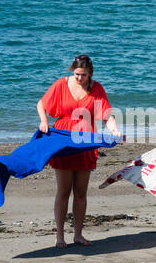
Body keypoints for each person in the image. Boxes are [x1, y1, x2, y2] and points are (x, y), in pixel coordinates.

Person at [37, 54, 121, 248]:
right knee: (63, 191)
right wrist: (43, 122)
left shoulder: (97, 88)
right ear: (72, 71)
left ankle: (78, 235)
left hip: (85, 143)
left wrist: (114, 129)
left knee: (81, 192)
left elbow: (107, 114)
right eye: (76, 74)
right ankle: (59, 236)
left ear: (90, 74)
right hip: (63, 142)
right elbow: (41, 104)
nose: (79, 79)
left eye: (83, 75)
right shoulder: (61, 84)